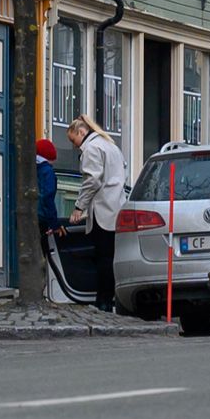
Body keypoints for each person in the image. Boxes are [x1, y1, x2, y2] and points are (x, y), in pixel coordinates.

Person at [67, 115, 127, 311]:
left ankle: (103, 301)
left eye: (73, 140)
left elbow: (92, 181)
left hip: (103, 210)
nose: (74, 146)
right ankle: (111, 299)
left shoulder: (92, 149)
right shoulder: (110, 145)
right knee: (112, 257)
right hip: (117, 205)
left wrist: (79, 207)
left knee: (103, 258)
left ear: (81, 132)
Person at [34, 138, 63, 244]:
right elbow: (47, 197)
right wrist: (54, 224)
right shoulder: (48, 172)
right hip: (42, 218)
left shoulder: (30, 168)